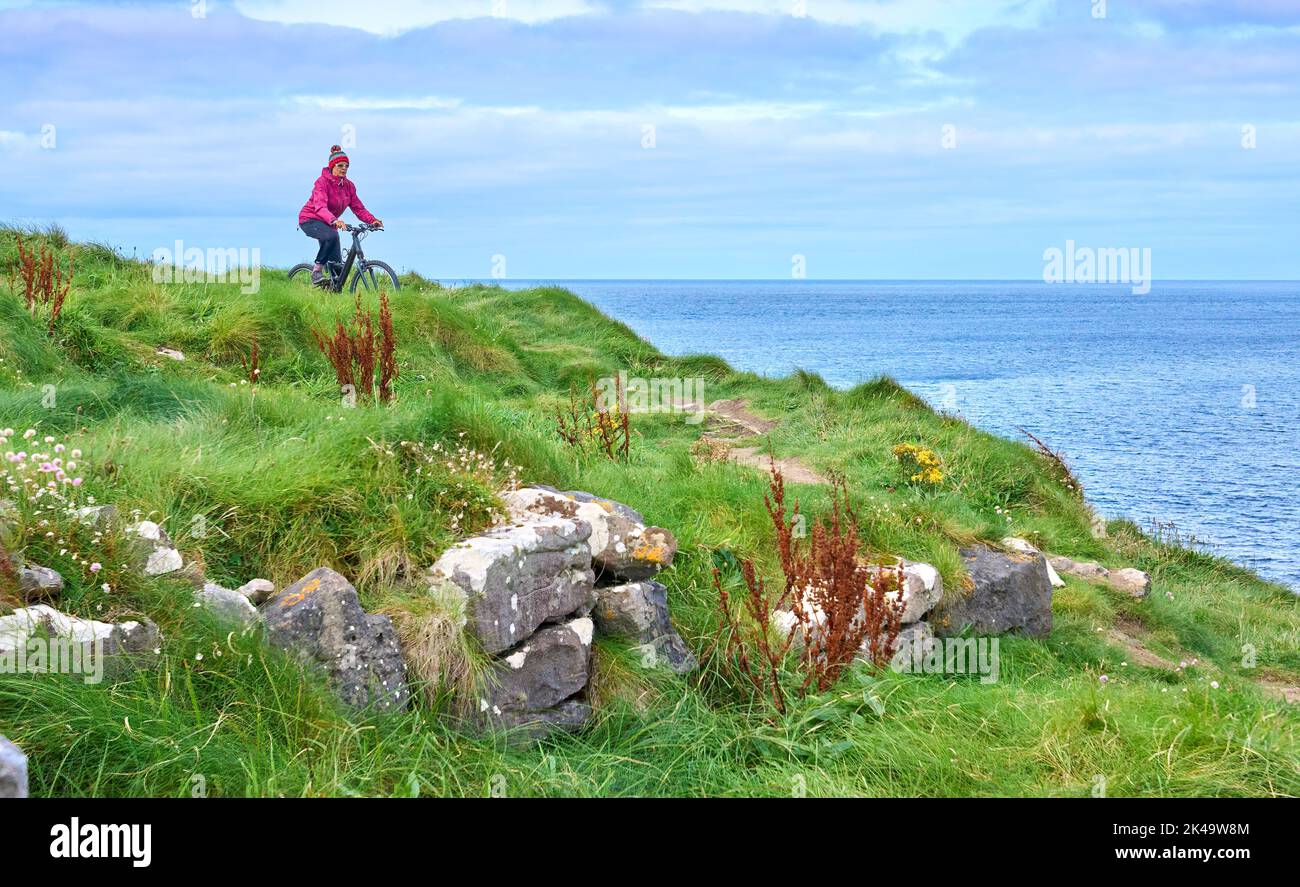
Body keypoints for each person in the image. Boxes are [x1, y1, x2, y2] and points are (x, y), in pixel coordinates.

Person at [297, 145, 384, 287]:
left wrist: (372, 220)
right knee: (331, 236)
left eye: (347, 166)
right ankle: (317, 272)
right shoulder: (322, 182)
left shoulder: (349, 186)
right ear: (332, 166)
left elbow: (359, 208)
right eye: (340, 165)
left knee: (338, 268)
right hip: (310, 219)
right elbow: (320, 206)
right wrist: (334, 220)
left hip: (330, 224)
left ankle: (331, 294)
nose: (344, 168)